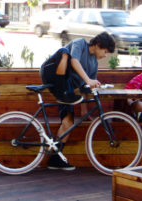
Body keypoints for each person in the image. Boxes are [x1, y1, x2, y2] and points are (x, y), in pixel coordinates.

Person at [40, 32, 115, 170]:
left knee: (68, 122)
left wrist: (85, 111)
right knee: (65, 52)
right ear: (98, 45)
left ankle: (55, 158)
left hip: (65, 87)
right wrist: (88, 80)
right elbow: (74, 61)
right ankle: (64, 93)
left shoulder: (94, 64)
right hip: (51, 73)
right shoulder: (80, 43)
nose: (105, 55)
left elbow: (85, 89)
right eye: (105, 51)